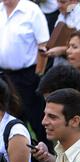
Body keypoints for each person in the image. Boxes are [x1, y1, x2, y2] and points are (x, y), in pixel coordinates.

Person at [0, 0, 51, 149]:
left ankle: (47, 161)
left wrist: (38, 75)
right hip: (4, 75)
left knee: (37, 120)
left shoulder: (31, 10)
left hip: (28, 75)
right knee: (10, 120)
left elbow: (43, 45)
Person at [46, 0, 80, 66]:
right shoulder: (62, 15)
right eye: (57, 2)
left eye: (63, 2)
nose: (59, 6)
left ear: (74, 1)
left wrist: (62, 50)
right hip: (61, 65)